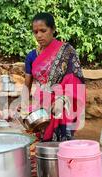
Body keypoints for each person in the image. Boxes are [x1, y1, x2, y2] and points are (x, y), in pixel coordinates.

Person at [20, 12, 85, 142]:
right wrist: (23, 106)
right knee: (42, 142)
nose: (39, 35)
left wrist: (62, 99)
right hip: (42, 105)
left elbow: (75, 79)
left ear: (53, 29)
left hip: (62, 104)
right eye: (35, 32)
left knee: (62, 145)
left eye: (43, 30)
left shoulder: (67, 52)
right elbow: (27, 84)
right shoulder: (31, 56)